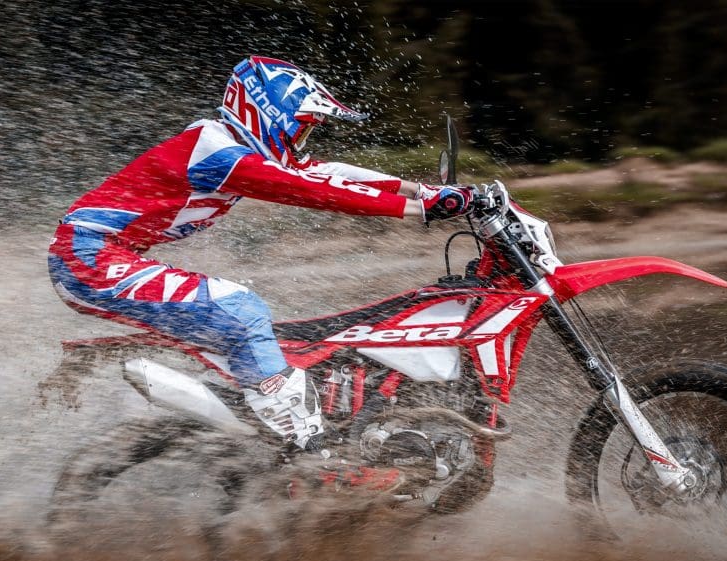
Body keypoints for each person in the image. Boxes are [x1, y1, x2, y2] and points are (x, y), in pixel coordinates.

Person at [49, 56, 478, 487]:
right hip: (90, 256)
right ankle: (305, 441)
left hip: (107, 254)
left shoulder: (231, 146)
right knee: (239, 307)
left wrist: (421, 191)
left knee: (266, 327)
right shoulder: (213, 148)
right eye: (302, 127)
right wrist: (416, 209)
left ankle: (285, 418)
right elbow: (304, 189)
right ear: (268, 113)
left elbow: (323, 172)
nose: (302, 140)